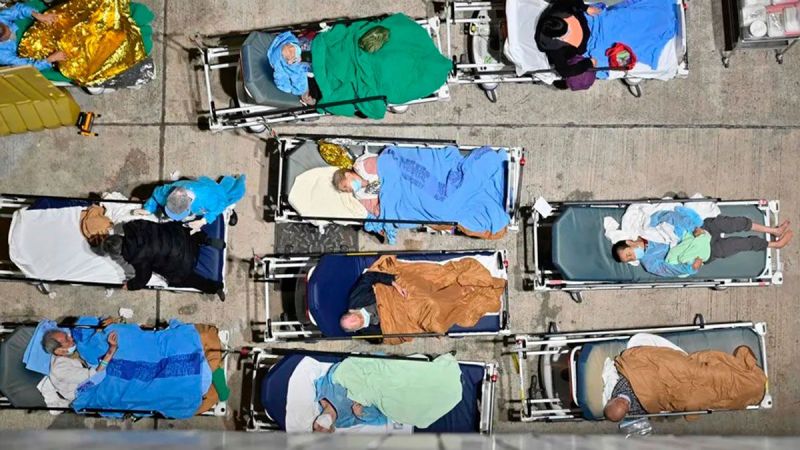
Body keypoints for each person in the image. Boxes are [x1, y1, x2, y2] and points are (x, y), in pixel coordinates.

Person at [604, 345, 766, 422]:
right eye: (625, 406)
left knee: (690, 369)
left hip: (662, 373)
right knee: (697, 396)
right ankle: (749, 386)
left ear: (612, 399)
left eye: (620, 402)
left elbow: (634, 360)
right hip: (676, 394)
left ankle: (747, 382)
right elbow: (655, 408)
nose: (625, 402)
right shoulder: (634, 411)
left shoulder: (619, 384)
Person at [611, 211, 793, 277]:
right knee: (738, 244)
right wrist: (691, 267)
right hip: (702, 252)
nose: (633, 257)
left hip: (700, 231)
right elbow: (670, 270)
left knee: (735, 223)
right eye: (630, 259)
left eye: (629, 253)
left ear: (629, 242)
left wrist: (694, 228)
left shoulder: (647, 227)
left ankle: (773, 231)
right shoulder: (650, 263)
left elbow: (670, 216)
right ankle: (774, 245)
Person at [92, 220, 226, 300]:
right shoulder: (133, 226)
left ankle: (215, 288)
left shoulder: (137, 258)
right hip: (181, 236)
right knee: (185, 229)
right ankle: (206, 240)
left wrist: (130, 286)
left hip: (185, 259)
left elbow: (143, 279)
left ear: (118, 254)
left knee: (184, 278)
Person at [40, 320, 119, 403]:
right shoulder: (61, 370)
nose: (71, 338)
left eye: (68, 336)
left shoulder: (63, 353)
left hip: (83, 371)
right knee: (108, 375)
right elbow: (95, 374)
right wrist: (112, 349)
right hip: (78, 393)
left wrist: (101, 325)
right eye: (67, 340)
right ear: (60, 351)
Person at [138, 175, 246, 233]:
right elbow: (156, 194)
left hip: (215, 193)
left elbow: (220, 206)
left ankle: (230, 206)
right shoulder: (169, 191)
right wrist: (148, 208)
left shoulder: (208, 198)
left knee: (227, 198)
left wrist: (204, 221)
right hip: (194, 189)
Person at [535, 0, 603, 79]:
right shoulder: (554, 50)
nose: (569, 30)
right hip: (591, 45)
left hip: (590, 20)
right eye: (566, 33)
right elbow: (565, 71)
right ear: (555, 38)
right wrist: (588, 63)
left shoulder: (557, 10)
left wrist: (586, 8)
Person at [0, 3, 64, 70]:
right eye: (7, 36)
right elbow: (26, 66)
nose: (11, 32)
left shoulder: (1, 19)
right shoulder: (2, 56)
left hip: (30, 26)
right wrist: (51, 59)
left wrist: (38, 15)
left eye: (8, 28)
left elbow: (18, 9)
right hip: (28, 48)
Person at [339, 271, 408, 333]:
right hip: (402, 312)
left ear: (349, 313)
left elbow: (369, 276)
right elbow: (391, 333)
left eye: (348, 318)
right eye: (352, 324)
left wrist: (395, 284)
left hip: (392, 291)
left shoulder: (356, 298)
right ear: (354, 330)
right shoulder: (370, 333)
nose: (353, 320)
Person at [267, 31, 318, 105]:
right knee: (300, 84)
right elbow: (281, 80)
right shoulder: (281, 65)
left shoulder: (291, 44)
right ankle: (305, 95)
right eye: (296, 58)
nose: (299, 58)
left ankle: (305, 94)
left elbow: (293, 44)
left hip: (296, 52)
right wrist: (289, 89)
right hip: (297, 67)